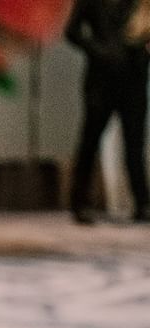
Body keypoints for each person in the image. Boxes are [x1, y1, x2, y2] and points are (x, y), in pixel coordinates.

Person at [66, 0, 150, 224]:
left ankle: (142, 203)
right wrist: (99, 50)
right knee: (90, 141)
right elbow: (71, 31)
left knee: (135, 143)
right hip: (101, 79)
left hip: (134, 76)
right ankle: (79, 201)